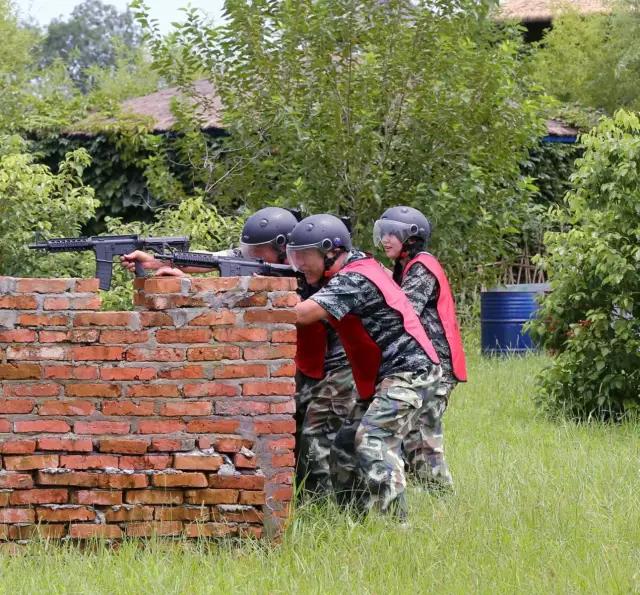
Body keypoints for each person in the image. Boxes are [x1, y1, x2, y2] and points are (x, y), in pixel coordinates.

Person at [288, 214, 442, 519]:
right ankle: (353, 520)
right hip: (389, 374)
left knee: (373, 441)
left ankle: (396, 525)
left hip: (411, 371)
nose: (299, 264)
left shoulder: (354, 278)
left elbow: (301, 315)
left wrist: (251, 303)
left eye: (305, 256)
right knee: (344, 445)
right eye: (296, 256)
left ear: (331, 251)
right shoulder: (356, 265)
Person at [373, 205, 467, 492]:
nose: (385, 239)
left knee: (423, 436)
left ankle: (441, 497)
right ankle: (426, 494)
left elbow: (404, 310)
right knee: (412, 435)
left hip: (436, 365)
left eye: (392, 234)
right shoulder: (407, 267)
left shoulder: (422, 267)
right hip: (423, 363)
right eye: (383, 233)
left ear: (411, 238)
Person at [119, 206, 299, 276]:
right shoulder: (246, 255)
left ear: (283, 247)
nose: (251, 258)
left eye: (258, 253)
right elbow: (210, 259)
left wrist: (190, 285)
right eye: (250, 252)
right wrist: (153, 262)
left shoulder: (307, 273)